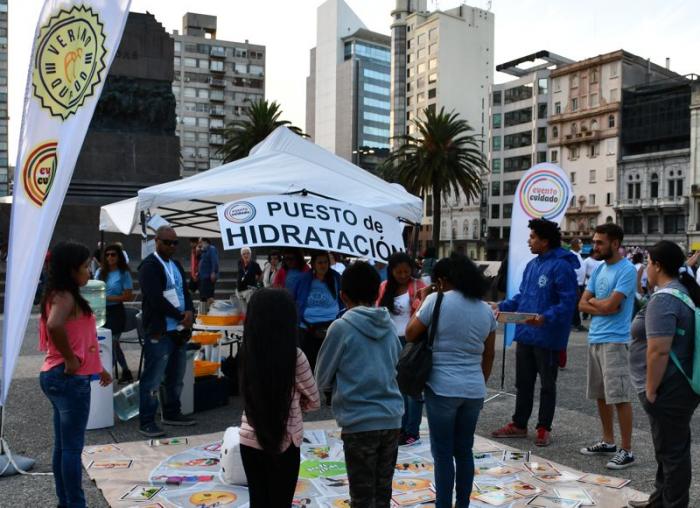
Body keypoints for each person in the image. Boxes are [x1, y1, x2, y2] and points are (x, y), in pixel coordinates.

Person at [405, 255, 496, 508]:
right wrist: (480, 381)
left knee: (443, 453)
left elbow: (411, 333)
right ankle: (462, 504)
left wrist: (423, 300)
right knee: (464, 452)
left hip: (442, 388)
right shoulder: (485, 309)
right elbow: (489, 354)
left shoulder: (436, 300)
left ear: (443, 280)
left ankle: (443, 505)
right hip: (473, 390)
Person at [316, 262, 403, 508]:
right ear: (377, 293)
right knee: (382, 494)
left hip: (359, 422)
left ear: (343, 296)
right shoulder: (389, 325)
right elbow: (395, 362)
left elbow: (321, 376)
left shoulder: (341, 327)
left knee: (362, 497)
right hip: (391, 420)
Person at [491, 218, 579, 447]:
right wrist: (502, 307)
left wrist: (546, 317)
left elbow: (568, 302)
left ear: (545, 241)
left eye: (533, 237)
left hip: (548, 336)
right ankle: (519, 424)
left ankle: (543, 427)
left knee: (547, 384)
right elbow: (523, 297)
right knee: (523, 382)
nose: (529, 241)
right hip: (526, 332)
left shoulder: (562, 266)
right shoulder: (532, 265)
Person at [39, 241, 112, 508]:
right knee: (71, 449)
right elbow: (55, 325)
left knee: (63, 447)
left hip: (57, 376)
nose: (89, 272)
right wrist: (70, 359)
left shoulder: (61, 294)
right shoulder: (65, 296)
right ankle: (75, 504)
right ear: (71, 270)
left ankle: (66, 502)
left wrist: (98, 368)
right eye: (84, 267)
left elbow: (81, 338)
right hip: (68, 378)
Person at [628, 241, 700, 508]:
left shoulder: (665, 298)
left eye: (648, 262)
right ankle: (660, 500)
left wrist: (650, 389)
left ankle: (673, 504)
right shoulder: (681, 292)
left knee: (672, 453)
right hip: (678, 386)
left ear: (657, 265)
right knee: (669, 448)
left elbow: (658, 350)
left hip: (668, 387)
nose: (646, 267)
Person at [239, 289, 320, 507]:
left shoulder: (247, 351)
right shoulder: (295, 356)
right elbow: (314, 399)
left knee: (258, 501)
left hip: (249, 439)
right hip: (286, 442)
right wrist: (297, 403)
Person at [578, 223, 637, 469]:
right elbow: (581, 304)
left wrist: (599, 305)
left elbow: (613, 306)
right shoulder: (601, 268)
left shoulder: (626, 270)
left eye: (600, 242)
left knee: (619, 396)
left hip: (615, 339)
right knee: (601, 395)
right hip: (596, 337)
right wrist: (601, 306)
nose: (595, 246)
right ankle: (608, 441)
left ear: (615, 244)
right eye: (594, 241)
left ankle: (627, 449)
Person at [138, 226, 195, 437]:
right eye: (167, 242)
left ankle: (172, 412)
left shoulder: (176, 265)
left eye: (175, 243)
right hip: (159, 331)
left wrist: (189, 310)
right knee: (152, 378)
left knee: (176, 375)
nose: (172, 246)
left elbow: (185, 292)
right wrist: (180, 315)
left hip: (177, 331)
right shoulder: (149, 266)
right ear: (157, 241)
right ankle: (146, 421)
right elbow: (155, 299)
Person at [376, 252, 426, 445]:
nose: (403, 275)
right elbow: (379, 313)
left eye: (407, 271)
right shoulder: (384, 287)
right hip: (391, 340)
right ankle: (402, 427)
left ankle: (412, 430)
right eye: (399, 272)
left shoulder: (419, 286)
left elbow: (424, 312)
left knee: (413, 389)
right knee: (396, 388)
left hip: (412, 341)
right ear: (392, 271)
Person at [292, 251, 343, 372]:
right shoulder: (303, 279)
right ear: (313, 264)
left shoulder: (336, 278)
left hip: (332, 327)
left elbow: (343, 298)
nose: (323, 265)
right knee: (309, 364)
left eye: (325, 262)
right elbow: (294, 299)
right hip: (307, 328)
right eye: (320, 262)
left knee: (331, 364)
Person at [95, 244, 134, 384]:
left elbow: (128, 296)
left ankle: (106, 374)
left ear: (119, 256)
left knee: (112, 343)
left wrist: (107, 298)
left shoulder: (124, 273)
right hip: (101, 312)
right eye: (107, 255)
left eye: (113, 254)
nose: (110, 257)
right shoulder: (100, 271)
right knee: (112, 344)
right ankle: (125, 370)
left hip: (116, 312)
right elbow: (95, 289)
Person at [570, 239, 587, 333]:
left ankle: (577, 323)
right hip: (574, 283)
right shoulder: (571, 255)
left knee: (577, 305)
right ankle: (572, 324)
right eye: (580, 243)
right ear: (575, 244)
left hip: (580, 284)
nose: (582, 244)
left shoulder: (578, 254)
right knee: (574, 304)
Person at [581, 254, 604, 320]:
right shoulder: (587, 261)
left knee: (594, 299)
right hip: (587, 283)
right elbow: (584, 272)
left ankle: (592, 314)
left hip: (597, 283)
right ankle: (585, 315)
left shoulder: (600, 261)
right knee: (587, 300)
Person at [198, 238, 219, 302]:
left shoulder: (211, 249)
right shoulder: (204, 250)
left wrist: (213, 272)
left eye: (201, 242)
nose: (200, 244)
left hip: (208, 277)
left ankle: (210, 310)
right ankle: (204, 309)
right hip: (203, 276)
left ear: (206, 242)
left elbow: (214, 261)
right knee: (203, 296)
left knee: (209, 296)